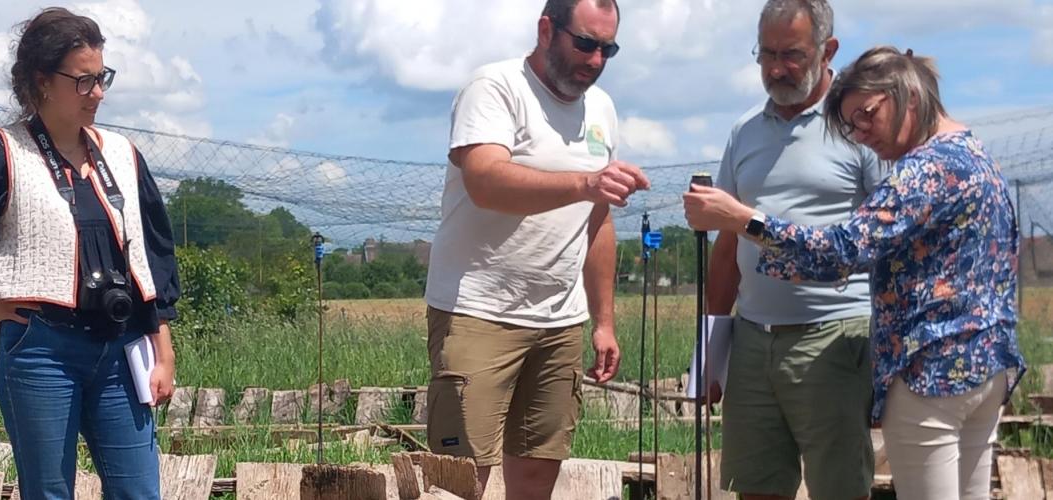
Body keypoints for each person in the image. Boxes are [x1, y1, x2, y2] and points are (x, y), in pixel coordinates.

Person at [684, 46, 1026, 500]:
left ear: (906, 93)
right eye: (851, 126)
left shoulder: (924, 170)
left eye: (867, 115)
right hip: (986, 367)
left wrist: (745, 220)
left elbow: (844, 250)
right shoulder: (974, 154)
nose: (862, 134)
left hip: (930, 373)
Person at [0, 8, 179, 499]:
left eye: (102, 78)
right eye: (84, 81)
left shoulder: (122, 154)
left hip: (123, 347)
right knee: (49, 492)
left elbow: (152, 257)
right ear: (42, 81)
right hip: (42, 351)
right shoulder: (0, 152)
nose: (98, 93)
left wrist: (164, 350)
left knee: (140, 491)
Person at [422, 0, 648, 498]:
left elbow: (598, 219)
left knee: (536, 471)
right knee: (459, 479)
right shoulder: (495, 87)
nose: (595, 60)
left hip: (559, 322)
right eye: (585, 43)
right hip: (478, 311)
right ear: (547, 29)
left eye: (608, 49)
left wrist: (604, 322)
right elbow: (484, 180)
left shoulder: (602, 109)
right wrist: (586, 182)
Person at [705, 1, 882, 498]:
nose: (776, 69)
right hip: (752, 343)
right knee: (756, 488)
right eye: (766, 54)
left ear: (828, 51)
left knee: (839, 487)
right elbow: (725, 250)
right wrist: (710, 359)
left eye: (792, 55)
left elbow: (887, 241)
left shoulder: (859, 130)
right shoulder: (744, 132)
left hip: (836, 339)